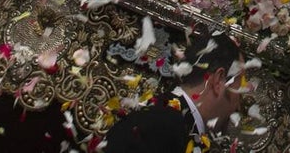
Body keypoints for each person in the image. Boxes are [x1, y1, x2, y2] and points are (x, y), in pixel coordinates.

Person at [103, 30, 245, 153]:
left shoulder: (171, 120)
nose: (239, 105)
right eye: (240, 87)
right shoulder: (162, 126)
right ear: (219, 80)